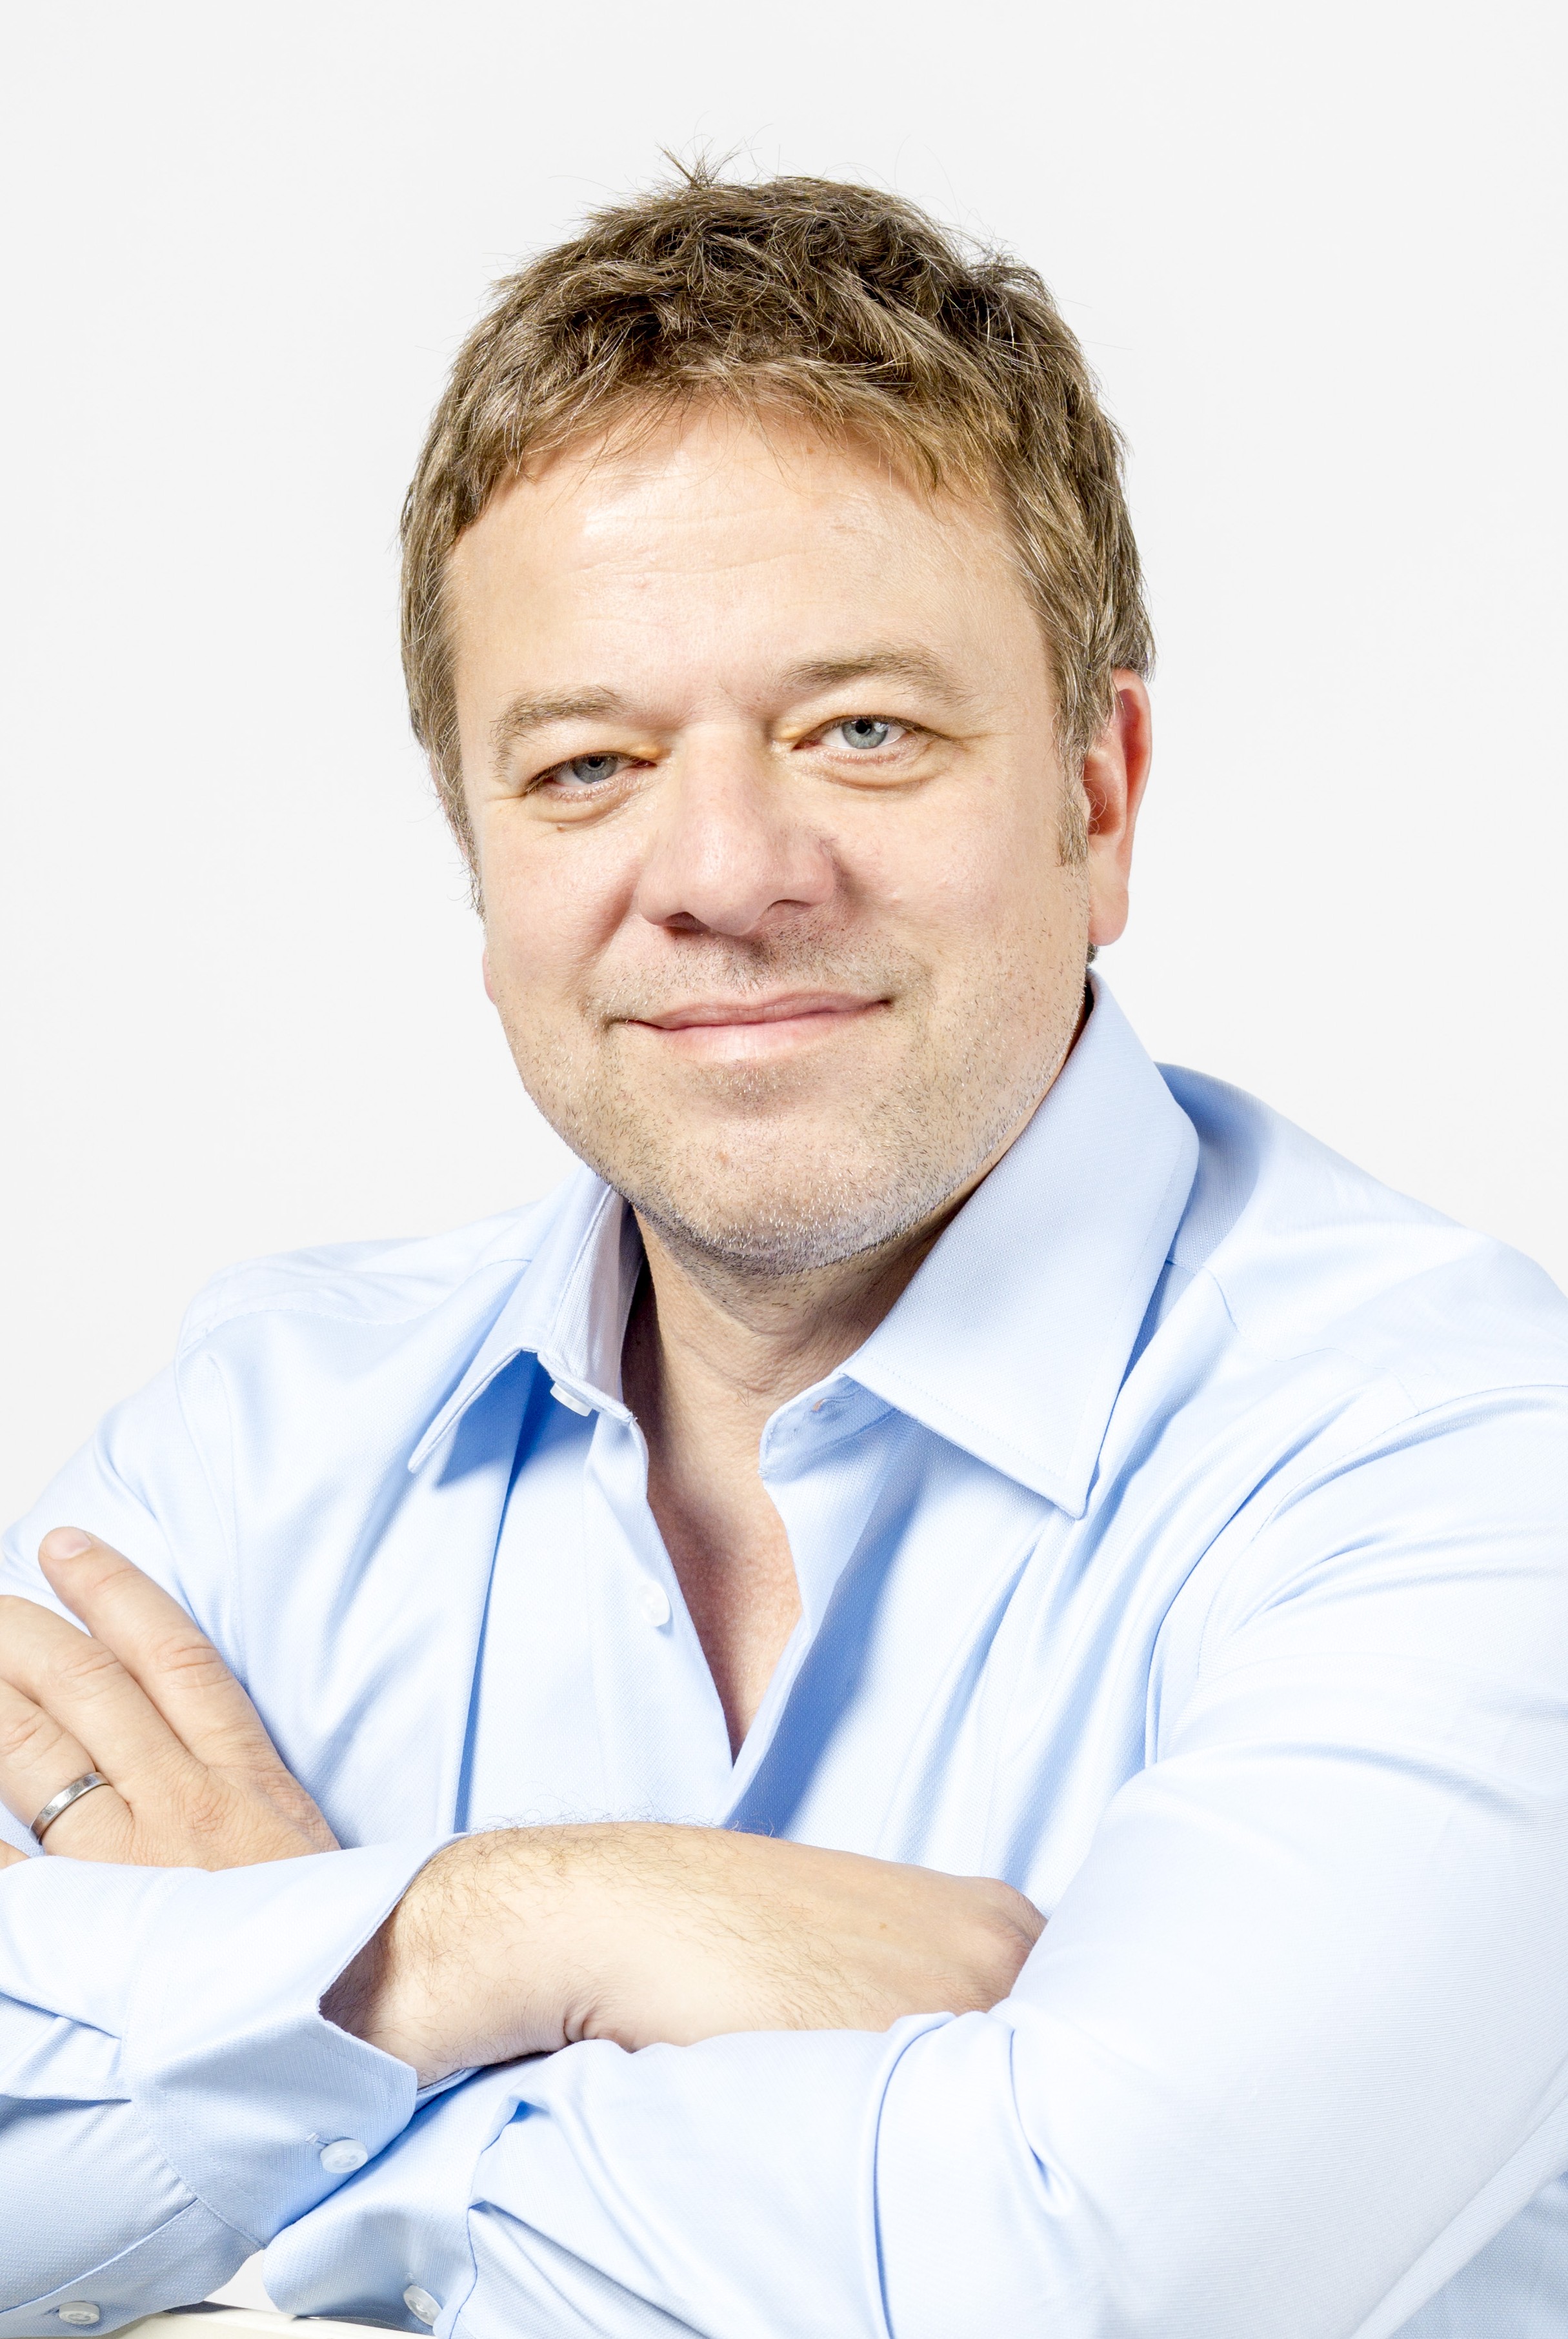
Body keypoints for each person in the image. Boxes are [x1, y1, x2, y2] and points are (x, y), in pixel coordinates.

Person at [2, 169, 1566, 2339]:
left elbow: (1065, 2287)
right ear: (482, 860)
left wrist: (264, 2030)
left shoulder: (1468, 1461)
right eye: (589, 763)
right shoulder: (254, 1448)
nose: (725, 871)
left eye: (863, 730)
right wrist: (501, 1927)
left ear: (1099, 795)